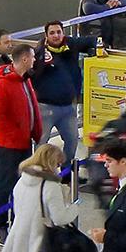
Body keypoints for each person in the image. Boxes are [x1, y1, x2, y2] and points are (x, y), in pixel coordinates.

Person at [0, 42, 42, 241]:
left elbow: (30, 107)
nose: (35, 60)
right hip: (9, 146)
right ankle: (1, 226)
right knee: (6, 186)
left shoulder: (25, 80)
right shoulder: (2, 84)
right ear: (25, 59)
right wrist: (17, 133)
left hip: (25, 143)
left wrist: (34, 132)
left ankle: (18, 222)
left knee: (22, 185)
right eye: (33, 57)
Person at [32, 20, 85, 164]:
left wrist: (99, 46)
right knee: (41, 144)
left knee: (72, 141)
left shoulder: (70, 46)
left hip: (68, 107)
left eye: (58, 32)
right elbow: (32, 75)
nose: (56, 36)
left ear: (63, 33)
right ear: (46, 35)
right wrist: (42, 62)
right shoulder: (39, 53)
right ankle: (38, 173)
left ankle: (67, 174)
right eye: (52, 33)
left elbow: (89, 41)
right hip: (45, 108)